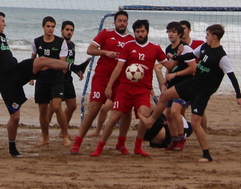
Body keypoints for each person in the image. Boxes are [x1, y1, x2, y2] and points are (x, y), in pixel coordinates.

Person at [0, 10, 90, 158]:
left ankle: (76, 68)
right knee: (15, 117)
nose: (5, 24)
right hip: (6, 81)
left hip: (16, 70)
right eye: (3, 21)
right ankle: (12, 147)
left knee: (42, 60)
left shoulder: (1, 36)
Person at [139, 24, 241, 163]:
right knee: (165, 95)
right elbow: (191, 55)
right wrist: (176, 56)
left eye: (207, 35)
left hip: (202, 92)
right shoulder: (204, 47)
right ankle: (150, 121)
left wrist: (238, 96)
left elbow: (232, 76)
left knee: (195, 123)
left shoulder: (222, 56)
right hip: (192, 84)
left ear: (214, 37)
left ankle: (206, 154)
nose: (205, 37)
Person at [87, 19, 166, 157]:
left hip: (142, 90)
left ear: (147, 32)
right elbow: (118, 68)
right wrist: (109, 86)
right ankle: (100, 147)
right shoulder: (129, 46)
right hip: (125, 88)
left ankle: (137, 147)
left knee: (144, 114)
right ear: (134, 32)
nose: (140, 34)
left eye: (142, 31)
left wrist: (179, 56)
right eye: (137, 32)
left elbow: (169, 64)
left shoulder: (155, 48)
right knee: (113, 118)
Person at [70, 10, 135, 154]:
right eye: (120, 21)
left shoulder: (131, 40)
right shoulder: (106, 33)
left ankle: (121, 143)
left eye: (124, 21)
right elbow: (90, 50)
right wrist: (105, 52)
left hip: (120, 81)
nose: (122, 23)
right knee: (94, 108)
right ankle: (77, 143)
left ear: (127, 23)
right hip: (102, 78)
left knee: (126, 110)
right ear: (115, 22)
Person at [32, 16, 69, 147]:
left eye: (53, 27)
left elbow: (62, 62)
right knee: (42, 109)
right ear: (43, 27)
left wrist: (47, 65)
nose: (50, 29)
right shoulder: (36, 41)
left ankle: (65, 136)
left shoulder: (61, 42)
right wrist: (30, 76)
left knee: (57, 106)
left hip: (56, 78)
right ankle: (45, 137)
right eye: (48, 26)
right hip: (42, 79)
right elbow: (33, 59)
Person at [161, 21, 196, 151]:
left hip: (184, 85)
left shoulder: (185, 48)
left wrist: (176, 75)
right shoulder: (168, 49)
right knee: (168, 114)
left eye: (174, 32)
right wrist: (165, 82)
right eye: (169, 31)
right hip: (172, 85)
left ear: (180, 34)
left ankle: (182, 140)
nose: (171, 34)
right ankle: (174, 140)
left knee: (175, 111)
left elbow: (193, 68)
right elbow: (170, 68)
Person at [57, 20, 79, 146]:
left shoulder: (72, 45)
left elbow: (70, 63)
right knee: (53, 107)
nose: (69, 32)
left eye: (71, 30)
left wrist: (78, 71)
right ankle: (44, 132)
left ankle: (63, 131)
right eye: (67, 30)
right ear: (62, 31)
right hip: (58, 79)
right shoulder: (58, 43)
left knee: (72, 106)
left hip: (68, 79)